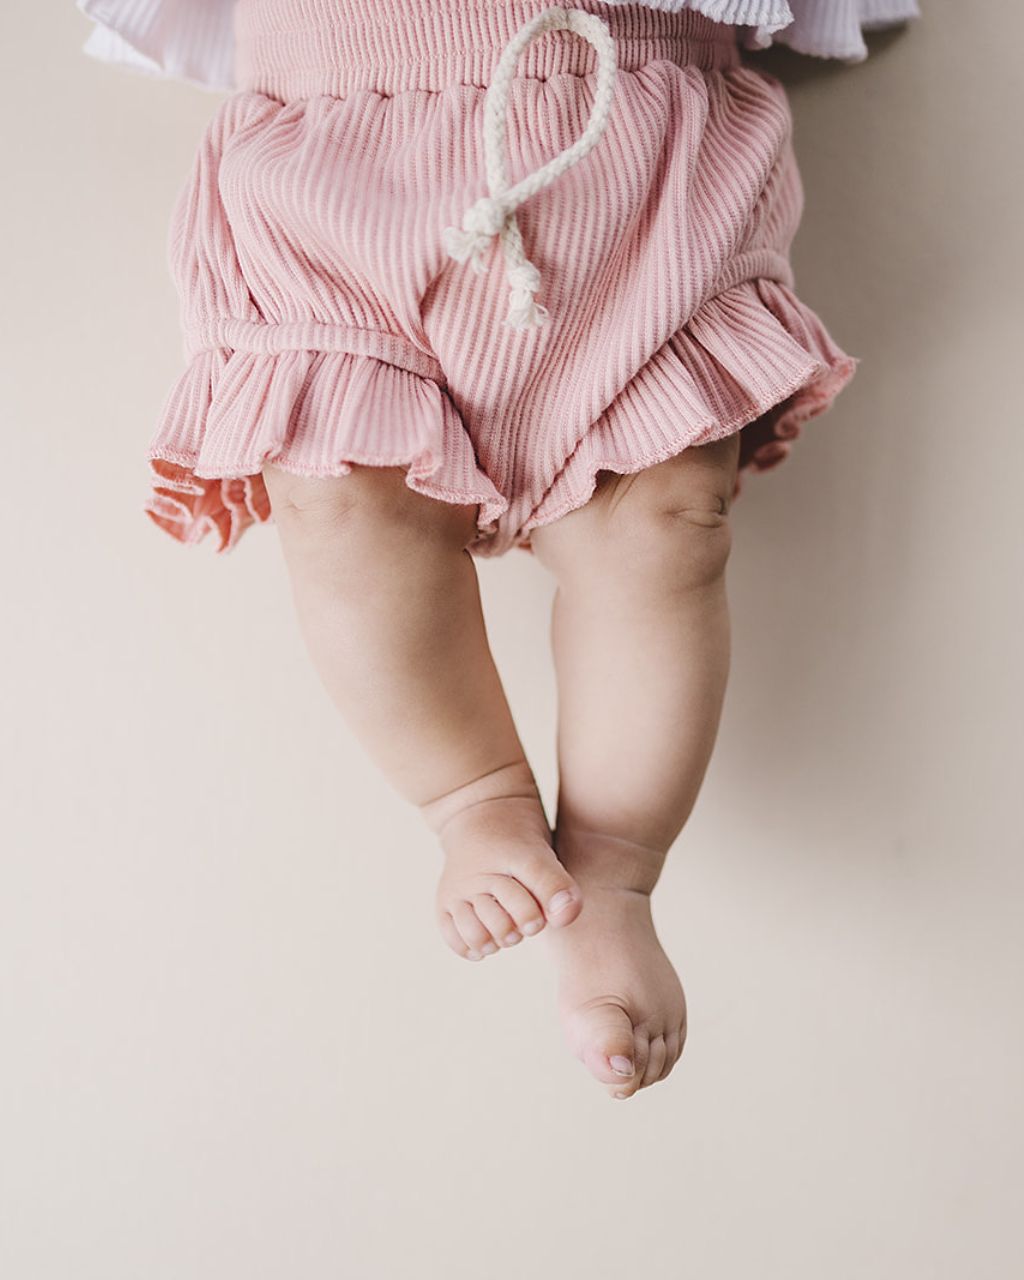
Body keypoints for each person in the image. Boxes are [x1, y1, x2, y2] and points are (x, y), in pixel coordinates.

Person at [79, 0, 918, 1099]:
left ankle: (612, 876)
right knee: (337, 499)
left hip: (637, 159)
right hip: (331, 171)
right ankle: (472, 800)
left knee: (664, 526)